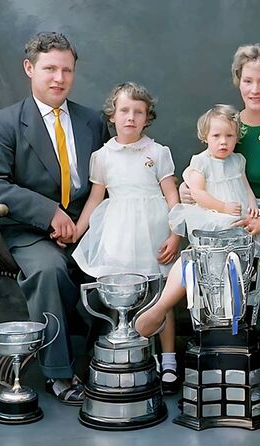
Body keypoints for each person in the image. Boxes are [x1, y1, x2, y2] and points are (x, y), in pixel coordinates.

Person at [137, 44, 260, 384]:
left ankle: (233, 361)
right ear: (238, 82)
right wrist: (189, 191)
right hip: (222, 221)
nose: (255, 89)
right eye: (248, 81)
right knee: (200, 255)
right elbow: (202, 173)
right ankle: (177, 323)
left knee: (214, 261)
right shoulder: (227, 126)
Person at [0, 32, 109, 405]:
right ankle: (60, 373)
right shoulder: (4, 123)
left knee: (120, 262)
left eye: (67, 70)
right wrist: (49, 213)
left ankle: (105, 359)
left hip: (86, 225)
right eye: (49, 69)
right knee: (50, 270)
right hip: (29, 231)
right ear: (30, 68)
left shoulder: (92, 121)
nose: (59, 78)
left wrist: (83, 224)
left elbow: (106, 180)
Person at [71, 82, 181, 393]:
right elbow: (95, 198)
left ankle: (169, 360)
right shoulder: (103, 156)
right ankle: (130, 354)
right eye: (124, 111)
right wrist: (78, 231)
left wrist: (175, 234)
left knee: (161, 295)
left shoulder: (157, 152)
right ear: (113, 115)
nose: (130, 117)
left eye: (138, 112)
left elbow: (172, 195)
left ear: (147, 117)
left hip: (153, 230)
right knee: (123, 298)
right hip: (118, 230)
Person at [169, 103, 260, 268]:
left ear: (236, 137)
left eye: (229, 136)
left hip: (240, 210)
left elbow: (245, 187)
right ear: (205, 137)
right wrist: (223, 207)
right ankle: (230, 274)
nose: (223, 142)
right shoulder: (201, 161)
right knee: (225, 243)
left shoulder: (237, 160)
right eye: (216, 136)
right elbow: (198, 194)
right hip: (216, 213)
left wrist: (253, 205)